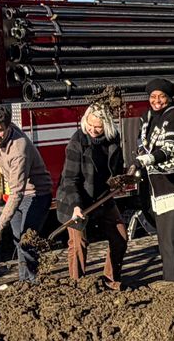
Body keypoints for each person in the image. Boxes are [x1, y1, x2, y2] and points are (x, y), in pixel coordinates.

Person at [58, 102, 129, 287]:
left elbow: (116, 168)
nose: (92, 129)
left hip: (102, 196)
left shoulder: (113, 139)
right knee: (78, 243)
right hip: (75, 197)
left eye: (98, 126)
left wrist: (119, 181)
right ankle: (77, 285)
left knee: (120, 237)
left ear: (107, 125)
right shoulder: (77, 142)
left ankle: (110, 280)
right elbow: (69, 179)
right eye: (90, 124)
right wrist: (76, 206)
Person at [135, 78, 174, 282]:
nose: (157, 100)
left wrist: (146, 160)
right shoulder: (146, 118)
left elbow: (171, 147)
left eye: (161, 96)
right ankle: (169, 281)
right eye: (153, 96)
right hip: (159, 187)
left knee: (172, 239)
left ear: (169, 98)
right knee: (163, 240)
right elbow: (142, 143)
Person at [0, 105, 53, 284]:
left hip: (37, 194)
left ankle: (34, 282)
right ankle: (24, 282)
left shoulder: (19, 151)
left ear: (7, 127)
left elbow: (17, 193)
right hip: (20, 194)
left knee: (27, 241)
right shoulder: (4, 133)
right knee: (18, 240)